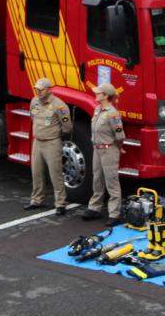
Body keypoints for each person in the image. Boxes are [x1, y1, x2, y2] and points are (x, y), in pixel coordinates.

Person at [80, 83, 126, 226]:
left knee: (111, 181)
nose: (96, 94)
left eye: (99, 92)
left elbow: (120, 135)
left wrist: (118, 148)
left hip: (109, 149)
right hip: (97, 149)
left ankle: (114, 214)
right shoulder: (97, 110)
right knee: (97, 179)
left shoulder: (112, 113)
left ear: (105, 96)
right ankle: (95, 208)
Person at [26, 78, 72, 215]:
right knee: (36, 173)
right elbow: (32, 117)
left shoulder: (59, 106)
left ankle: (60, 203)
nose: (38, 92)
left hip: (52, 143)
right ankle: (37, 200)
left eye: (41, 89)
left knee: (55, 174)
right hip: (37, 142)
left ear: (49, 89)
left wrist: (56, 135)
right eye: (37, 89)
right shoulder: (34, 101)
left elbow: (67, 126)